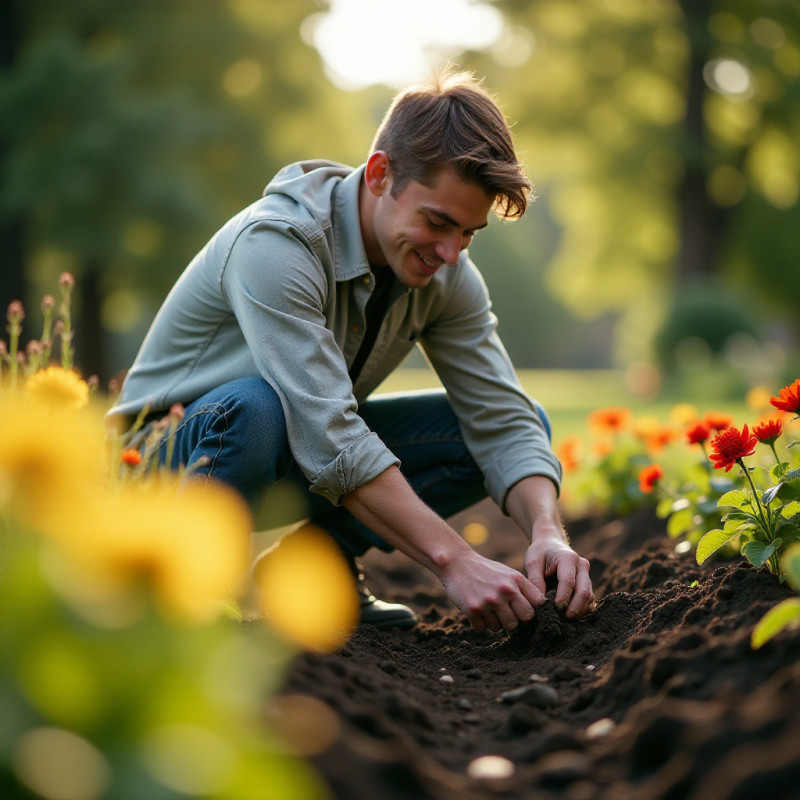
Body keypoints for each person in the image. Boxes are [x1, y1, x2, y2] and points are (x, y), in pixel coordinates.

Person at [109, 68, 593, 633]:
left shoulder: (446, 272)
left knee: (504, 424)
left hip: (284, 458)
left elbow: (503, 419)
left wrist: (546, 532)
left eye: (468, 233)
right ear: (381, 174)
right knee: (254, 408)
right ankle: (186, 600)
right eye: (437, 222)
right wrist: (455, 560)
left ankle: (317, 563)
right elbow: (327, 430)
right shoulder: (278, 243)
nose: (452, 252)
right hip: (161, 468)